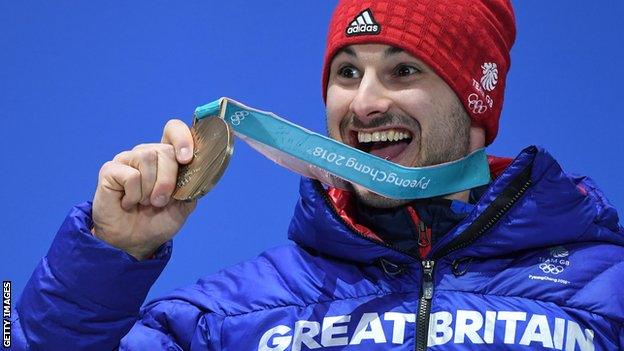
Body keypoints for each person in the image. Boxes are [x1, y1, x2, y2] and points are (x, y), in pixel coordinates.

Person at [11, 0, 624, 350]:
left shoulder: (607, 289)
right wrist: (108, 253)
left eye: (405, 71)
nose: (364, 104)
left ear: (475, 102)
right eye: (347, 73)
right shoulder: (225, 316)